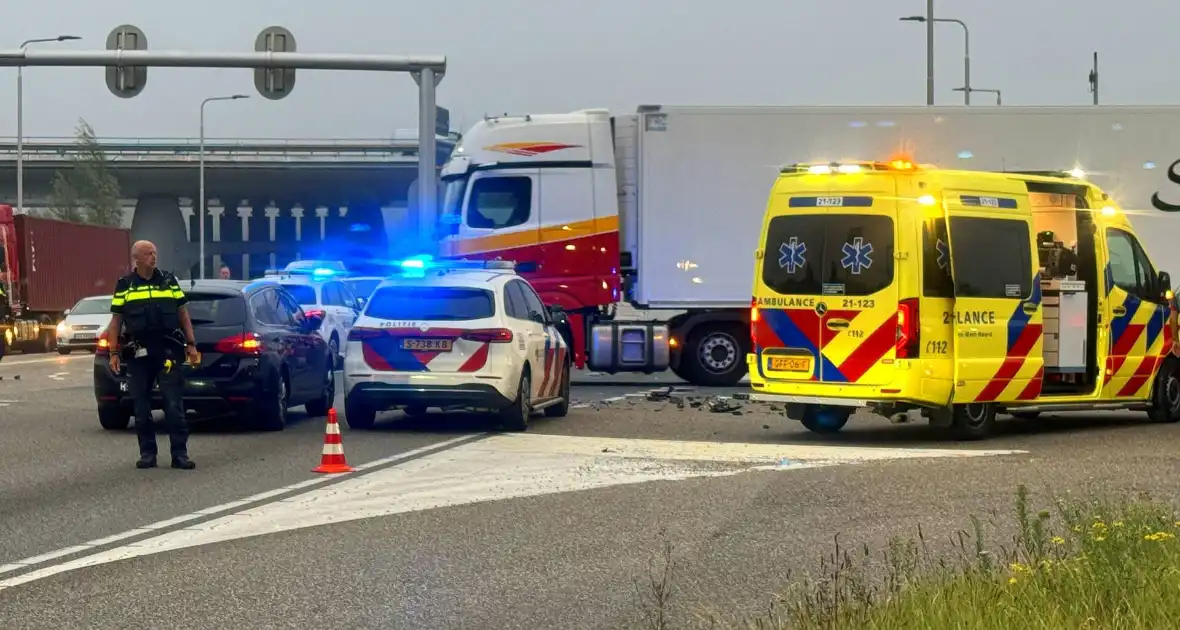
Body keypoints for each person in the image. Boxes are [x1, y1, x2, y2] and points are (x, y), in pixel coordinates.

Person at [106, 240, 200, 470]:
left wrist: (191, 344)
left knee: (173, 403)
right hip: (139, 353)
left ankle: (180, 454)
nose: (153, 257)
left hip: (167, 350)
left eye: (155, 253)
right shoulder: (125, 285)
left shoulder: (168, 281)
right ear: (136, 258)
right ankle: (148, 454)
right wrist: (113, 352)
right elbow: (116, 321)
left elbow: (183, 314)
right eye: (148, 253)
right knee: (140, 406)